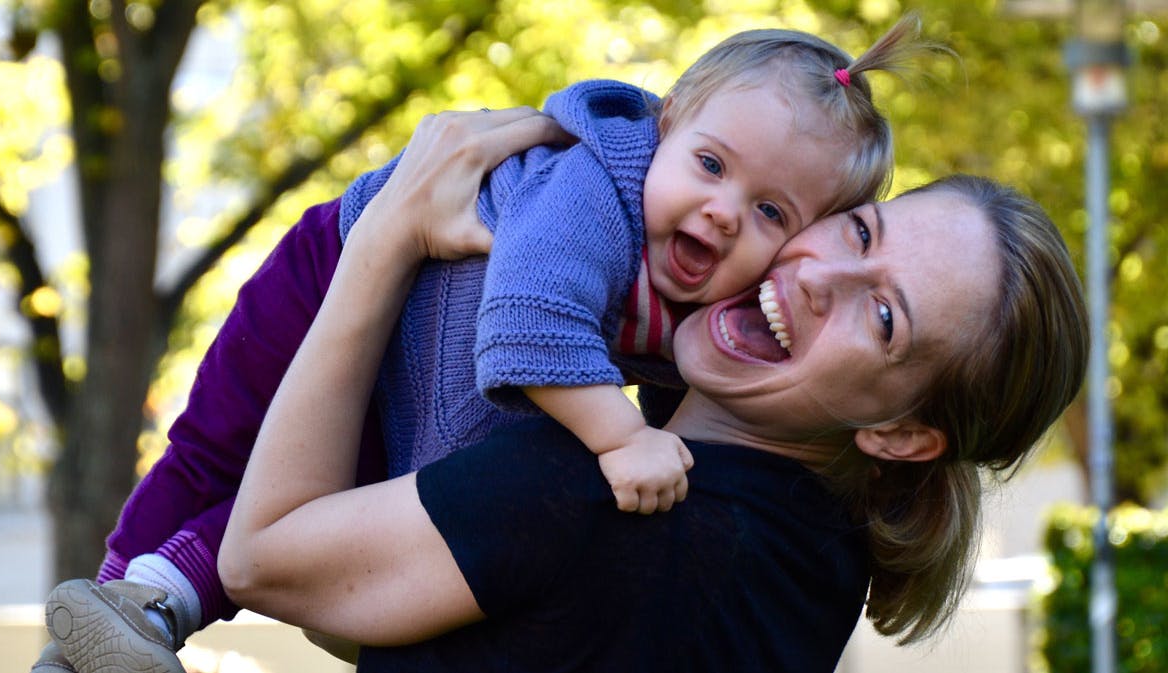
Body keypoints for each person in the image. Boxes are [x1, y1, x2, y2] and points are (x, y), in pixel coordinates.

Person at [36, 17, 931, 673]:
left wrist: (664, 447)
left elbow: (674, 408)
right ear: (666, 123)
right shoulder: (590, 193)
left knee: (331, 482)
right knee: (218, 445)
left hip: (419, 353)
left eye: (772, 211)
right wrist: (621, 439)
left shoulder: (712, 287)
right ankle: (116, 604)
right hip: (340, 266)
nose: (725, 209)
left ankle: (149, 605)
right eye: (710, 163)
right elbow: (531, 323)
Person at [211, 109, 1088, 672]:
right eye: (859, 229)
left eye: (886, 316)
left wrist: (384, 239)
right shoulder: (815, 556)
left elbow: (261, 560)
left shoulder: (597, 493)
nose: (825, 275)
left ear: (903, 434)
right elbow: (381, 616)